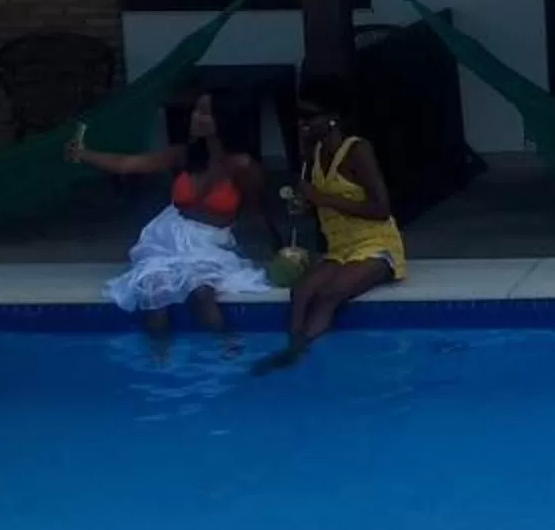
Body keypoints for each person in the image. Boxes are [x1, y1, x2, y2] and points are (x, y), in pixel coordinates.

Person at [70, 91, 276, 335]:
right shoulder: (183, 154)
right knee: (155, 293)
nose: (196, 118)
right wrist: (84, 154)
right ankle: (159, 362)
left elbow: (256, 210)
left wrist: (279, 249)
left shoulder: (243, 166)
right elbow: (128, 164)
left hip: (211, 242)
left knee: (202, 293)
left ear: (222, 119)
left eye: (205, 113)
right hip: (168, 236)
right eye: (196, 112)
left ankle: (226, 356)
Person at [256, 77, 408, 373]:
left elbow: (381, 208)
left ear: (332, 119)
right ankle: (291, 343)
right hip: (340, 248)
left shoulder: (357, 151)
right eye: (299, 118)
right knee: (301, 293)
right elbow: (319, 203)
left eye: (309, 118)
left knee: (329, 295)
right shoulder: (313, 155)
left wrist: (321, 198)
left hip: (375, 245)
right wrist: (305, 204)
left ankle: (298, 352)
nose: (302, 124)